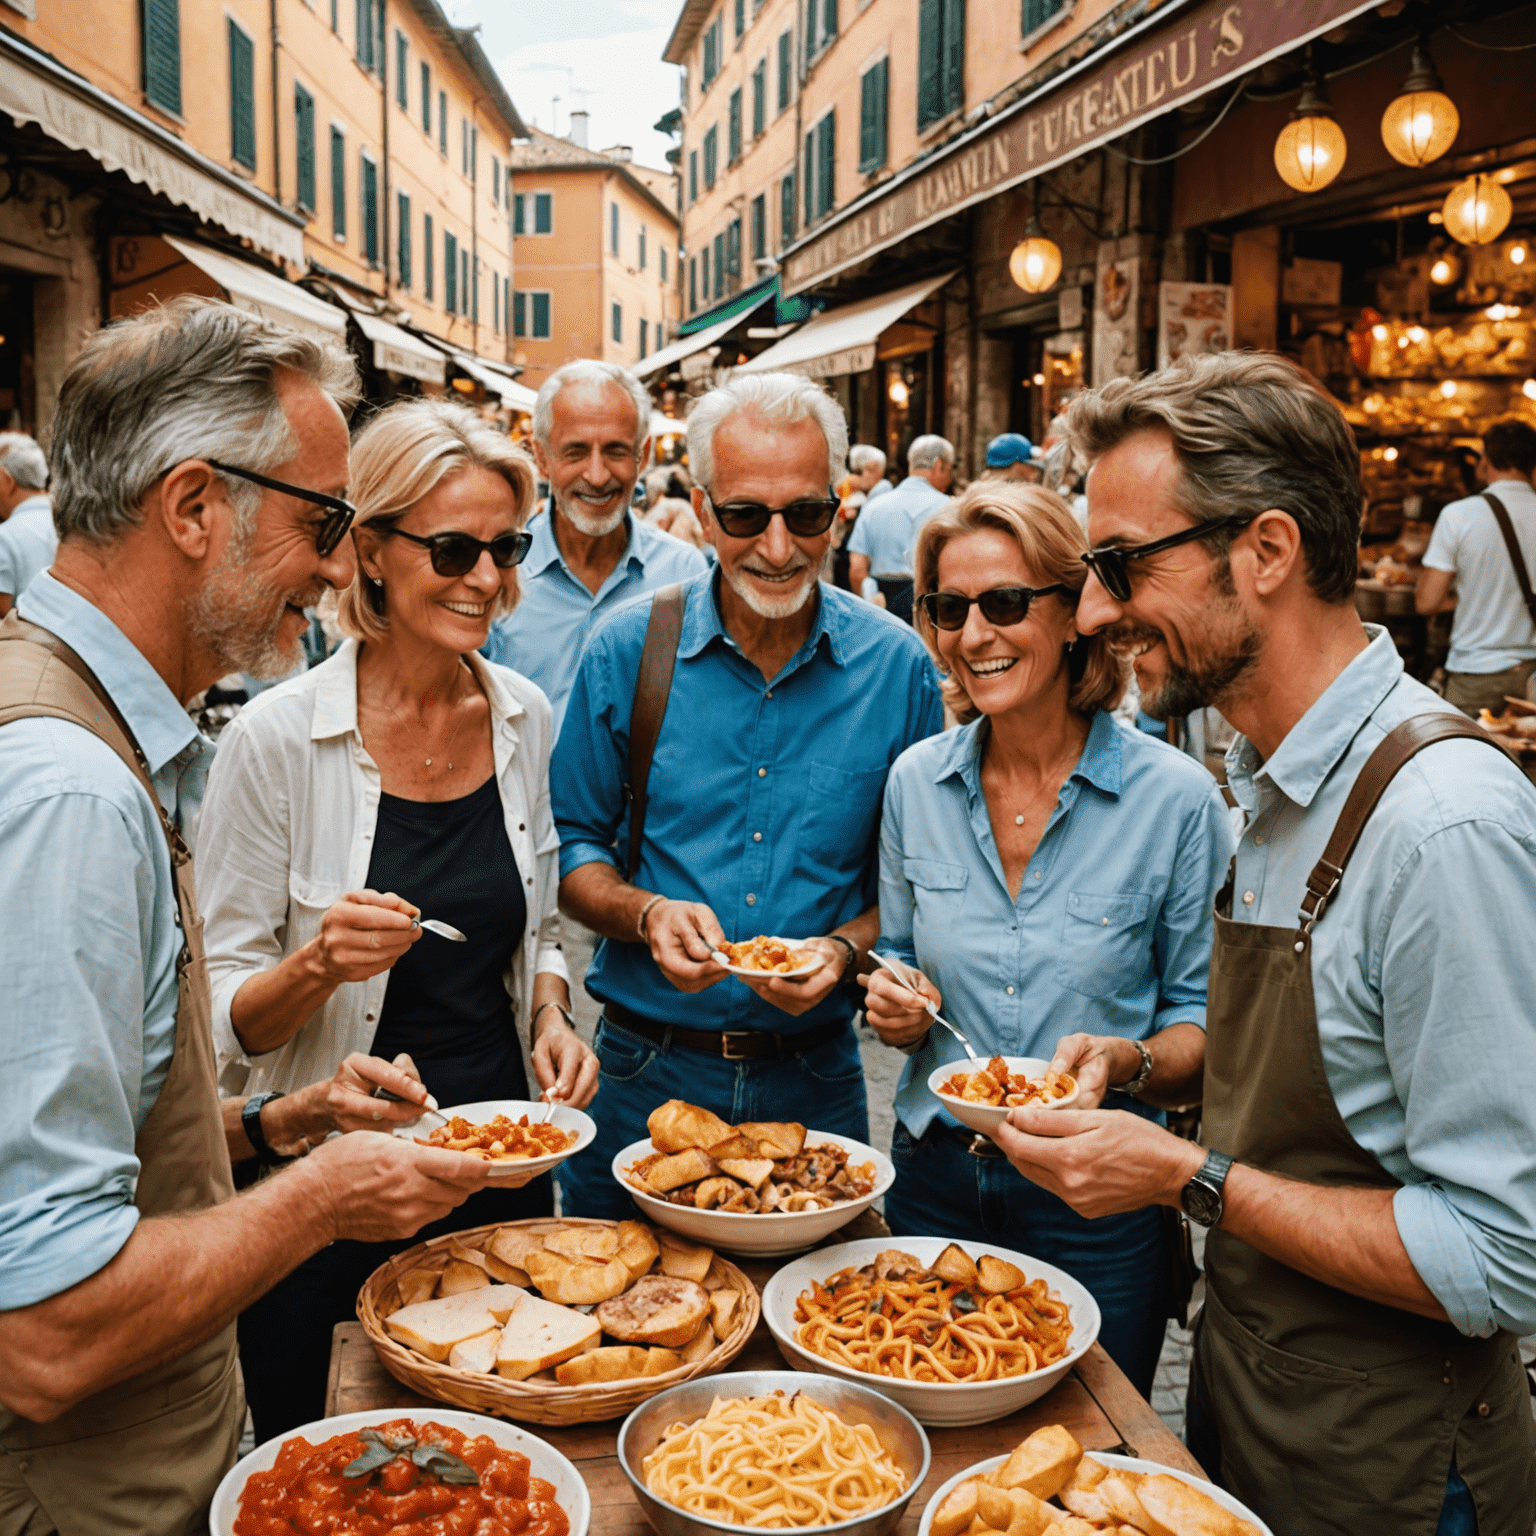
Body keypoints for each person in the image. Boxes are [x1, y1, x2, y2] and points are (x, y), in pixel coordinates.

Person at [994, 352, 1536, 1535]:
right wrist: (1136, 1070)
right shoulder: (1268, 772)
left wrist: (1182, 1176)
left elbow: (1502, 1254)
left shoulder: (1445, 826)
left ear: (1269, 552)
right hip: (1251, 1408)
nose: (1092, 612)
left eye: (1124, 565)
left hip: (1397, 1472)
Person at [0, 298, 492, 1533]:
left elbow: (92, 1136)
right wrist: (323, 1192)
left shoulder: (74, 729)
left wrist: (277, 1121)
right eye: (321, 522)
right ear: (192, 507)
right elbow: (47, 1327)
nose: (339, 567)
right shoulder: (68, 791)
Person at [197, 398, 598, 1439]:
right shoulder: (277, 740)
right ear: (369, 550)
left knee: (502, 1463)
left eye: (506, 549)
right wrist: (321, 964)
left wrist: (552, 1015)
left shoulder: (521, 714)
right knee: (330, 1461)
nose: (486, 580)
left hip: (499, 1169)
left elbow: (541, 921)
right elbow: (216, 1018)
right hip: (331, 1186)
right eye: (453, 548)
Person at [860, 480, 1230, 1398]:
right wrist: (896, 1005)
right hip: (935, 1182)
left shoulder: (1176, 799)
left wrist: (1128, 1059)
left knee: (1095, 1450)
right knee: (927, 1420)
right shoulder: (915, 783)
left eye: (1006, 603)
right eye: (949, 608)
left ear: (1076, 615)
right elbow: (898, 953)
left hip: (1098, 1199)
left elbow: (1207, 1026)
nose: (973, 634)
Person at [552, 371, 944, 1221]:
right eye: (744, 516)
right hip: (642, 1075)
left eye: (805, 514)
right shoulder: (627, 652)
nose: (777, 547)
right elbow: (574, 849)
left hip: (814, 1077)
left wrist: (840, 954)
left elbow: (916, 889)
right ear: (701, 507)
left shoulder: (897, 668)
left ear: (838, 508)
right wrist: (646, 914)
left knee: (810, 1335)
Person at [482, 360, 706, 736]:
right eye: (575, 452)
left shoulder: (684, 571)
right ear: (541, 457)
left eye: (617, 451)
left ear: (643, 456)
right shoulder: (496, 571)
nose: (597, 475)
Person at [1416, 418, 1536, 714]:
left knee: (1465, 758)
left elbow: (1426, 602)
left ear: (1485, 462)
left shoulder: (1458, 515)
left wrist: (1463, 598)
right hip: (1533, 677)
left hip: (1474, 675)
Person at [847, 434, 955, 622]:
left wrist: (871, 601)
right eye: (950, 470)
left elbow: (857, 569)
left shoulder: (873, 506)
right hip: (935, 609)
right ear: (939, 466)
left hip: (883, 607)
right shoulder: (952, 509)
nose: (950, 479)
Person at [0, 431, 55, 616]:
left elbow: (2, 612)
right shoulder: (76, 522)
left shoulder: (5, 536)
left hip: (27, 642)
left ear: (5, 480)